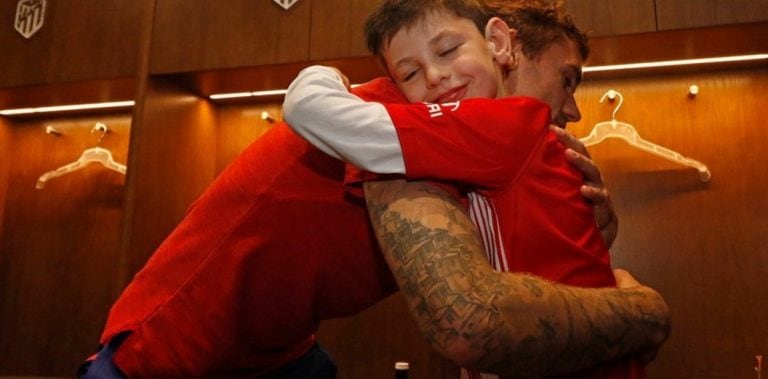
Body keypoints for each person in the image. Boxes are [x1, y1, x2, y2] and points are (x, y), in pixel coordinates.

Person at [78, 2, 668, 379]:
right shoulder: (409, 120)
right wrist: (640, 307)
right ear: (505, 50)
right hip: (169, 353)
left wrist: (584, 227)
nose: (571, 108)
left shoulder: (490, 146)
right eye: (565, 81)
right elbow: (471, 319)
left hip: (280, 353)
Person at [283, 0, 665, 377]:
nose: (434, 76)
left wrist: (323, 74)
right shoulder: (515, 133)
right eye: (410, 74)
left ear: (498, 42)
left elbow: (309, 108)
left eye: (448, 50)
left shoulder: (500, 122)